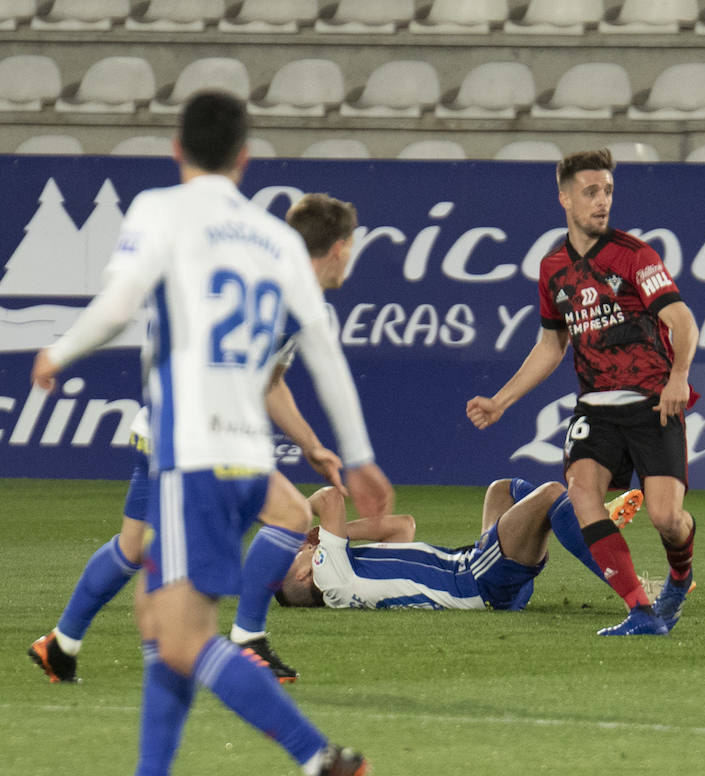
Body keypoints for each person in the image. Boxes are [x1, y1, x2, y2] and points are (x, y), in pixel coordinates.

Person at [30, 91, 392, 776]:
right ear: (244, 157)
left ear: (176, 148)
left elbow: (116, 307)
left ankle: (318, 756)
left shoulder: (162, 211)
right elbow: (322, 349)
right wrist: (360, 453)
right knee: (154, 618)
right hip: (247, 459)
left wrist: (60, 352)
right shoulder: (277, 239)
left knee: (184, 636)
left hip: (188, 453)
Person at [27, 193, 360, 685]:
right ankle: (247, 642)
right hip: (198, 436)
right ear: (335, 249)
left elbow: (268, 382)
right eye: (351, 246)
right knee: (290, 513)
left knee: (133, 545)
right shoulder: (291, 298)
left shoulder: (259, 279)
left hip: (158, 426)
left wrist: (310, 445)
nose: (350, 256)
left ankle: (60, 643)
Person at [467, 148, 700, 636]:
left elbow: (681, 321)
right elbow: (552, 344)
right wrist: (501, 401)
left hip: (652, 402)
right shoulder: (553, 268)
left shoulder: (635, 255)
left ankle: (680, 575)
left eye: (608, 191)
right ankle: (640, 610)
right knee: (581, 493)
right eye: (591, 192)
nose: (602, 201)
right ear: (565, 199)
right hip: (595, 408)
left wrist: (678, 377)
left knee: (667, 518)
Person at [276, 481, 643, 610]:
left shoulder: (349, 570)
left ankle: (587, 521)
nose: (299, 549)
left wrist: (333, 534)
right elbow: (329, 499)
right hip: (477, 581)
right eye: (295, 557)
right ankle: (635, 589)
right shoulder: (332, 580)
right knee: (549, 495)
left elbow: (401, 527)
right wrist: (296, 517)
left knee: (502, 489)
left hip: (478, 569)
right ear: (306, 575)